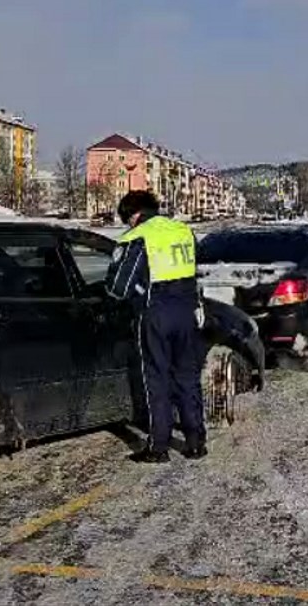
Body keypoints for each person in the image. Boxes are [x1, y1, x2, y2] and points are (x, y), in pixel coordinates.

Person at [106, 190, 206, 463]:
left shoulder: (137, 236)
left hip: (156, 313)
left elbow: (119, 287)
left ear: (133, 214)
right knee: (188, 376)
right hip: (186, 310)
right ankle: (196, 442)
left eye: (127, 219)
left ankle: (158, 446)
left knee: (157, 379)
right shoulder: (183, 230)